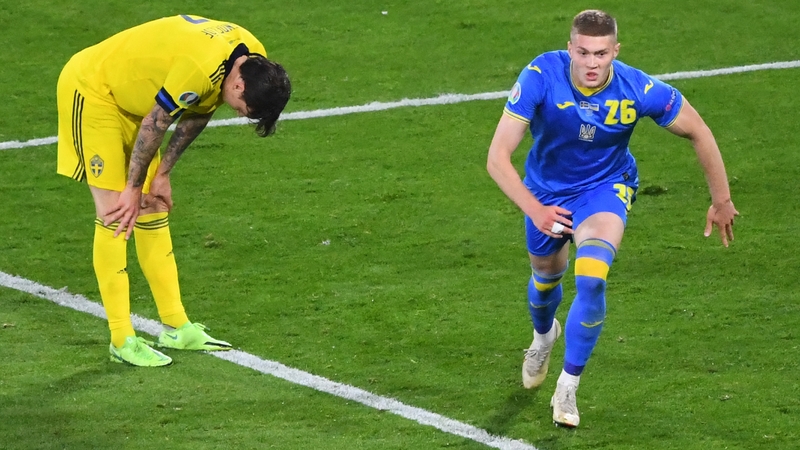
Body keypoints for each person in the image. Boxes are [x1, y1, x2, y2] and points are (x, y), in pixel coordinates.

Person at [486, 9, 737, 427]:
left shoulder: (637, 87)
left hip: (604, 188)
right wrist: (536, 209)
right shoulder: (540, 75)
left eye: (601, 53)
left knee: (591, 276)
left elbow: (699, 131)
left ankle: (568, 387)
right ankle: (544, 336)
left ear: (615, 52)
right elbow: (497, 158)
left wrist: (722, 199)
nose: (591, 63)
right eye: (582, 52)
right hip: (545, 194)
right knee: (546, 280)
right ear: (569, 49)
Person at [56, 15, 292, 367]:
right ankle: (121, 339)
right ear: (240, 88)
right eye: (246, 112)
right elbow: (158, 121)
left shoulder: (252, 58)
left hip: (136, 102)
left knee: (153, 206)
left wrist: (162, 173)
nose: (243, 116)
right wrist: (132, 187)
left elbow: (200, 108)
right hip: (95, 91)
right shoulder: (200, 65)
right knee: (115, 214)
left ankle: (175, 326)